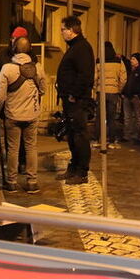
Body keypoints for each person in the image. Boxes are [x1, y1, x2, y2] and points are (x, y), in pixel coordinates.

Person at [0, 36, 46, 194]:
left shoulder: (7, 69)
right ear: (30, 50)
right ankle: (32, 182)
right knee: (31, 147)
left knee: (13, 149)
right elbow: (43, 89)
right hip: (32, 115)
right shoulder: (38, 67)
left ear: (13, 49)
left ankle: (12, 182)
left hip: (12, 115)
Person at [55, 15, 94, 185]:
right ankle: (74, 166)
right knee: (72, 135)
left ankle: (82, 171)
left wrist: (74, 94)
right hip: (70, 100)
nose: (62, 32)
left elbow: (85, 75)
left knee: (79, 135)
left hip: (77, 101)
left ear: (72, 30)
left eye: (63, 29)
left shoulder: (82, 48)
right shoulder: (75, 47)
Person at [95, 41, 127, 147]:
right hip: (113, 93)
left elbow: (94, 77)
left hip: (101, 92)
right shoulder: (118, 61)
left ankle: (98, 138)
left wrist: (96, 88)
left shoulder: (99, 61)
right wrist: (118, 89)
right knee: (111, 117)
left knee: (100, 116)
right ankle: (112, 139)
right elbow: (123, 78)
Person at [123, 53, 140, 144]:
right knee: (127, 117)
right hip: (127, 96)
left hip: (136, 97)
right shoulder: (131, 70)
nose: (131, 60)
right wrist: (124, 93)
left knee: (138, 117)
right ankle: (127, 135)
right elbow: (128, 83)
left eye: (133, 59)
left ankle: (139, 136)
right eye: (131, 59)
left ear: (138, 61)